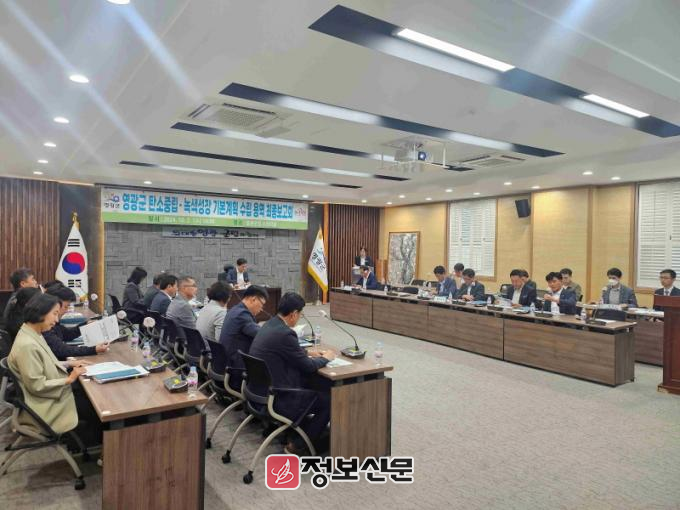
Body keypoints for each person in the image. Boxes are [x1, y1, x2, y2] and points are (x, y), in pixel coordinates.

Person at [249, 292, 335, 455]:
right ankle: (298, 444)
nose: (299, 318)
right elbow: (308, 367)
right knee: (330, 400)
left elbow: (284, 349)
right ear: (294, 314)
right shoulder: (286, 333)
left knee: (316, 384)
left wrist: (308, 352)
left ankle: (299, 430)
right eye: (300, 314)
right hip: (279, 397)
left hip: (258, 391)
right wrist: (326, 358)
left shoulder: (270, 324)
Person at [7, 294, 97, 441]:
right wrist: (70, 379)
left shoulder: (32, 333)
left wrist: (69, 363)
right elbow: (37, 385)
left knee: (87, 395)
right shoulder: (27, 346)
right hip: (45, 405)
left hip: (48, 395)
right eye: (54, 314)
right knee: (94, 405)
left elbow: (43, 363)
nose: (57, 320)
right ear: (40, 313)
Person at [44, 286, 109, 360]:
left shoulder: (54, 324)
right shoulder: (45, 327)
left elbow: (67, 334)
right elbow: (62, 349)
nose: (67, 311)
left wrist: (85, 325)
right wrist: (94, 349)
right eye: (65, 307)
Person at [219, 285, 269, 372]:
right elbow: (262, 334)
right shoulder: (242, 315)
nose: (261, 309)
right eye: (262, 304)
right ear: (253, 299)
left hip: (225, 363)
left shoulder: (235, 309)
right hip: (235, 368)